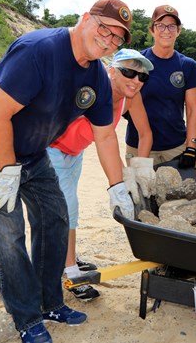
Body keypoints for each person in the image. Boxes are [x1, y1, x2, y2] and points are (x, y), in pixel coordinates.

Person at [0, 0, 136, 343]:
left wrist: (118, 186)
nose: (109, 40)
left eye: (118, 37)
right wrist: (7, 169)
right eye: (105, 29)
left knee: (55, 216)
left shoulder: (97, 76)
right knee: (7, 234)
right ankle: (26, 318)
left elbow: (105, 137)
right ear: (85, 19)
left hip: (34, 151)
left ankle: (49, 301)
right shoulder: (38, 51)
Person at [47, 48, 153, 302]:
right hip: (49, 148)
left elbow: (145, 132)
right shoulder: (93, 89)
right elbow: (103, 137)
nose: (136, 81)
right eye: (129, 72)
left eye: (142, 77)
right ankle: (70, 272)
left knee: (67, 208)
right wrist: (116, 186)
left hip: (75, 152)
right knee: (67, 207)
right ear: (111, 70)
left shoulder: (131, 97)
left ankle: (66, 255)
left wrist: (140, 169)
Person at [124, 4, 196, 168]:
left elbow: (194, 109)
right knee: (139, 193)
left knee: (177, 193)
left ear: (179, 31)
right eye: (160, 25)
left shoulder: (188, 65)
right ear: (152, 30)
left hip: (175, 147)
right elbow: (123, 100)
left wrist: (191, 147)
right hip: (138, 145)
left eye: (172, 26)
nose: (166, 30)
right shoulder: (137, 62)